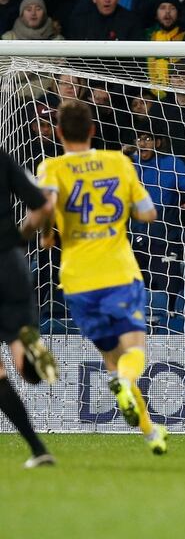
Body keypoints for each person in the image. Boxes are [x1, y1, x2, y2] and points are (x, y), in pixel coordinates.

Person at [35, 99, 167, 455]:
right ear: (92, 130)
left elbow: (45, 207)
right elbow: (148, 213)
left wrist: (48, 234)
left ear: (59, 132)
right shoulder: (118, 162)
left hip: (77, 279)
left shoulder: (50, 167)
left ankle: (151, 432)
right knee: (134, 350)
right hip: (118, 271)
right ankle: (126, 383)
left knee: (111, 356)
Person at [0, 148, 57, 468]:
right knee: (21, 351)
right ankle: (31, 348)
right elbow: (43, 205)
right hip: (11, 263)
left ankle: (38, 448)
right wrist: (22, 238)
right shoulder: (2, 156)